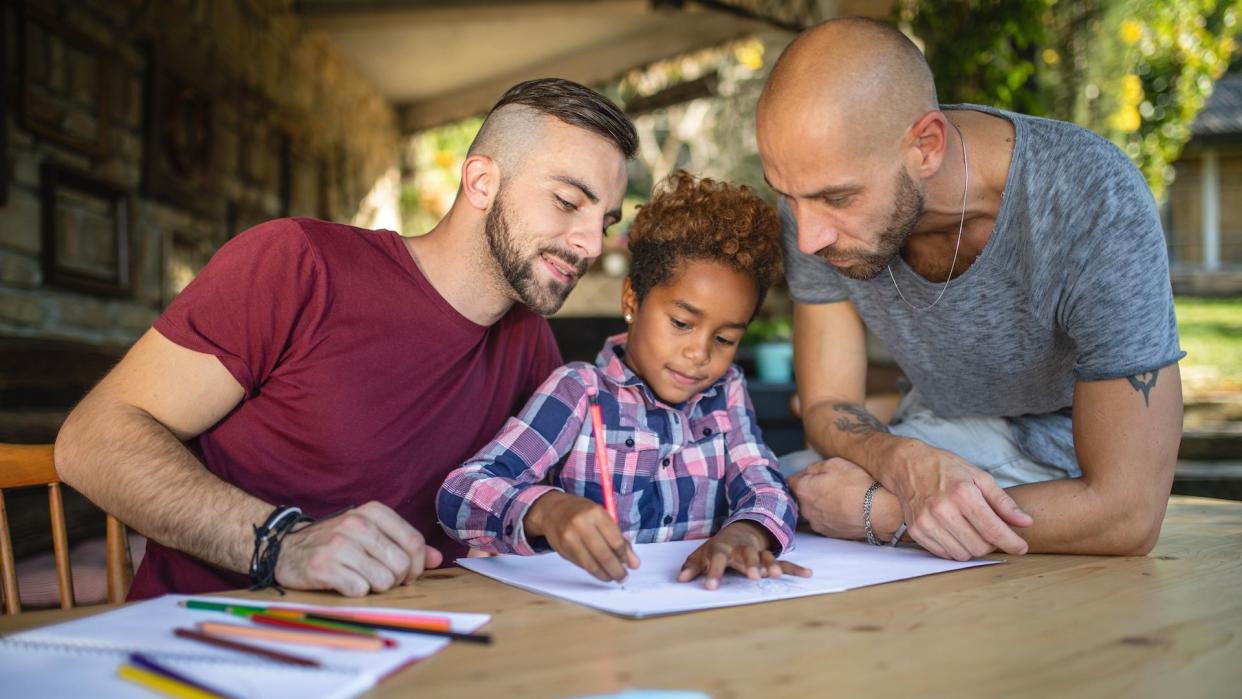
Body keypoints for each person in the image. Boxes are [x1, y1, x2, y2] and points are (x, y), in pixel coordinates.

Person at [54, 78, 636, 598]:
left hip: (416, 645)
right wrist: (283, 543)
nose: (590, 243)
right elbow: (91, 439)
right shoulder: (296, 263)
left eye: (605, 220)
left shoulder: (530, 342)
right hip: (210, 637)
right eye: (567, 202)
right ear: (481, 181)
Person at [756, 18, 1183, 560]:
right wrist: (904, 463)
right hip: (929, 438)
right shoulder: (810, 200)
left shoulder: (1089, 200)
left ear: (927, 146)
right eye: (789, 197)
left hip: (1058, 476)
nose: (809, 236)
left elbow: (1129, 513)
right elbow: (827, 403)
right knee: (768, 488)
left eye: (837, 199)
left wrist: (884, 513)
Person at [437, 171, 808, 590]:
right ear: (632, 299)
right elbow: (461, 493)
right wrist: (548, 510)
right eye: (682, 323)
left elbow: (766, 483)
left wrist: (748, 532)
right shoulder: (579, 391)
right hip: (589, 624)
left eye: (725, 339)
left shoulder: (726, 392)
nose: (700, 353)